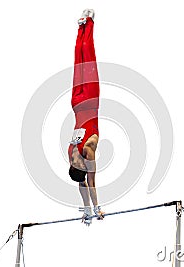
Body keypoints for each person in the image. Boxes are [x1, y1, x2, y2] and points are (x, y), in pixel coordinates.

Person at [68, 9, 105, 226]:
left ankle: (84, 24)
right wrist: (89, 210)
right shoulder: (80, 152)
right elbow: (85, 182)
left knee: (82, 56)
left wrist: (91, 208)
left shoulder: (80, 154)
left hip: (82, 101)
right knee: (83, 56)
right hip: (83, 100)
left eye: (77, 163)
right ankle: (84, 24)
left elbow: (85, 182)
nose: (77, 160)